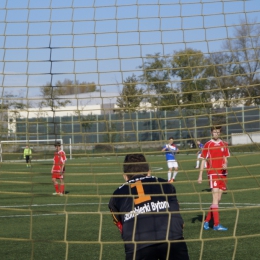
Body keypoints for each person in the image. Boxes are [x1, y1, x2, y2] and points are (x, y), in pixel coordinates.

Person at [108, 154, 189, 260]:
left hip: (138, 243)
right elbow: (176, 212)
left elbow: (121, 227)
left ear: (125, 177)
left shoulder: (116, 195)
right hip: (172, 237)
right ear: (149, 172)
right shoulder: (165, 184)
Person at [197, 126, 230, 231]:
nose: (216, 134)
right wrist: (200, 175)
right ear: (211, 133)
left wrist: (225, 164)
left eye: (218, 132)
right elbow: (203, 160)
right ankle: (216, 224)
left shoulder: (224, 144)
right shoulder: (208, 144)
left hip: (223, 174)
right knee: (215, 199)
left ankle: (206, 221)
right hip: (213, 173)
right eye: (214, 132)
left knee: (218, 200)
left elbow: (225, 158)